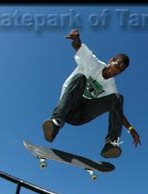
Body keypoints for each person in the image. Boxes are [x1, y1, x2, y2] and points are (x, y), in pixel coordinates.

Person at [42, 29, 141, 158]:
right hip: (68, 107)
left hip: (81, 116)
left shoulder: (111, 87)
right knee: (80, 78)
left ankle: (111, 143)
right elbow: (77, 47)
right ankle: (55, 123)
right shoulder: (93, 63)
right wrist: (76, 39)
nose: (115, 72)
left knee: (117, 98)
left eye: (120, 71)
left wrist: (130, 128)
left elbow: (118, 112)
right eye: (116, 66)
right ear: (111, 60)